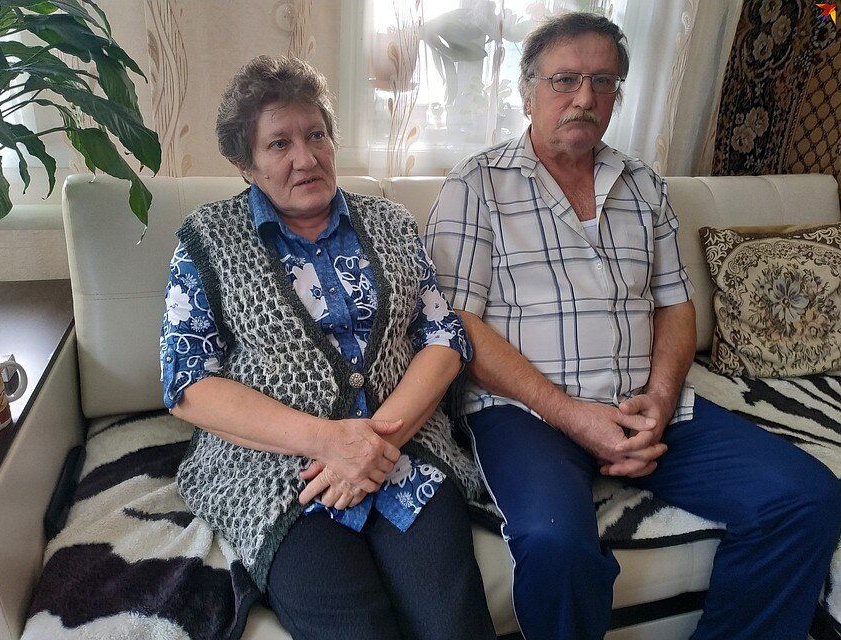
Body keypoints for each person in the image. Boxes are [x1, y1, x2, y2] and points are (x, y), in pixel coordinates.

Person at [425, 12, 841, 640]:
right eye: (565, 80)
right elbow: (457, 324)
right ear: (527, 91)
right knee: (554, 542)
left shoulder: (643, 185)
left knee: (805, 497)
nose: (585, 97)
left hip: (645, 405)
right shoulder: (475, 184)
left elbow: (675, 306)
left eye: (603, 81)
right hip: (526, 411)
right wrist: (572, 415)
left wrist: (662, 399)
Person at [159, 55, 495, 640]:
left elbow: (443, 337)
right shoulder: (208, 240)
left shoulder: (390, 222)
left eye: (316, 135)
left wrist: (373, 442)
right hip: (274, 471)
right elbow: (187, 383)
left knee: (453, 624)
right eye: (279, 143)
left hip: (404, 448)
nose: (306, 157)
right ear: (244, 164)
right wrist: (329, 442)